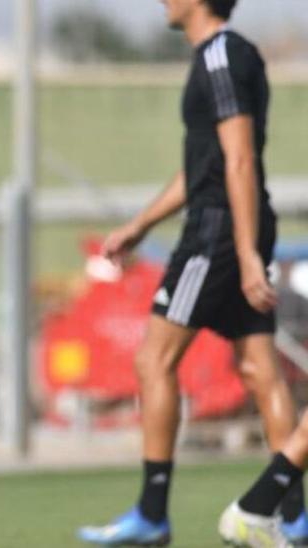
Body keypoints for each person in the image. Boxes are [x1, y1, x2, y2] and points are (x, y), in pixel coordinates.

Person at [77, 0, 298, 545]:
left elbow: (239, 158)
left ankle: (152, 513)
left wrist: (245, 253)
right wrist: (140, 224)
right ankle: (294, 517)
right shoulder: (222, 55)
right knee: (257, 367)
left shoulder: (220, 57)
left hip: (218, 234)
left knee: (154, 358)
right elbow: (205, 164)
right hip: (233, 226)